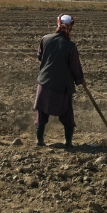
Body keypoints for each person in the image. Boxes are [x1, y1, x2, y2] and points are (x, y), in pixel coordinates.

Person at [34, 14, 85, 147]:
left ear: (58, 23)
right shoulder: (71, 46)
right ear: (71, 26)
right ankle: (68, 142)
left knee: (41, 112)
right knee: (67, 113)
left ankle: (39, 141)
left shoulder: (45, 39)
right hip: (63, 86)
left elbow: (40, 56)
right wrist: (80, 81)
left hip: (44, 82)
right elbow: (75, 67)